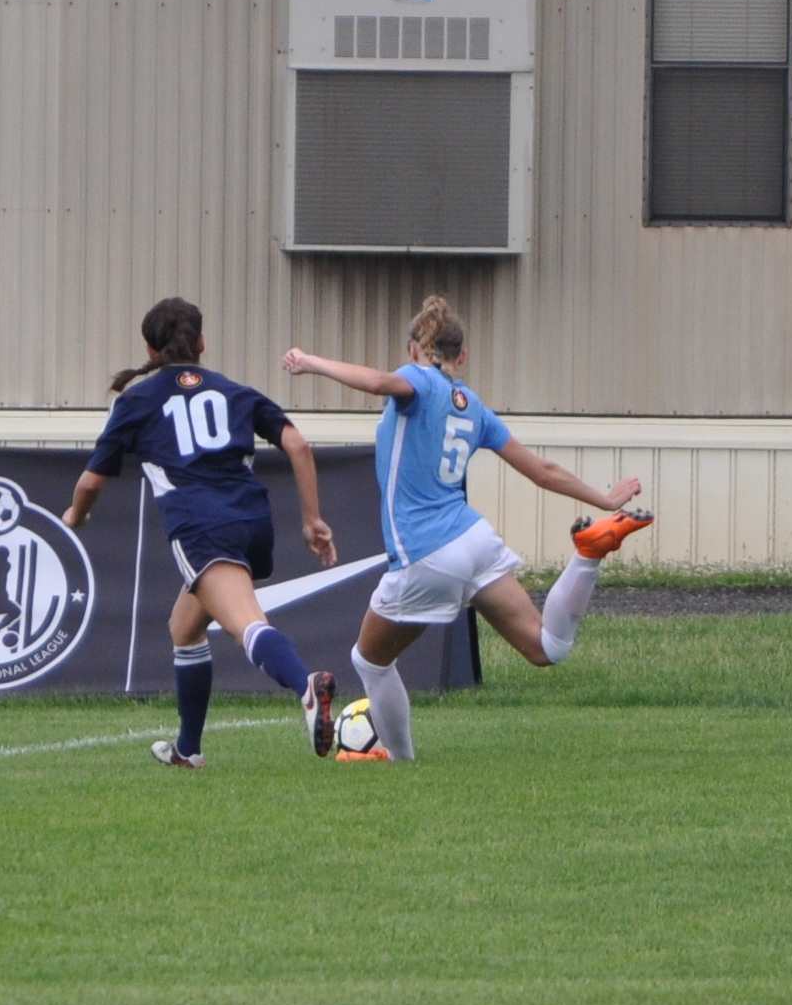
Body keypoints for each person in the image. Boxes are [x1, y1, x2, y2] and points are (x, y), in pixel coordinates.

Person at [279, 295, 652, 762]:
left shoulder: (418, 379)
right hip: (474, 539)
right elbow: (541, 469)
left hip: (426, 551)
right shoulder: (472, 407)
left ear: (415, 349)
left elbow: (378, 382)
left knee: (369, 660)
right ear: (464, 356)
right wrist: (607, 498)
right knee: (546, 648)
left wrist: (309, 361)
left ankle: (401, 762)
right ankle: (588, 554)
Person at [65, 298, 337, 770]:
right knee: (184, 627)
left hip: (201, 526)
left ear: (150, 349)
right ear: (202, 343)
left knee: (247, 625)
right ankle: (187, 750)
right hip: (252, 521)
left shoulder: (136, 401)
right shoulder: (235, 391)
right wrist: (312, 519)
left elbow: (91, 482)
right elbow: (298, 444)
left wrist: (75, 515)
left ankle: (306, 685)